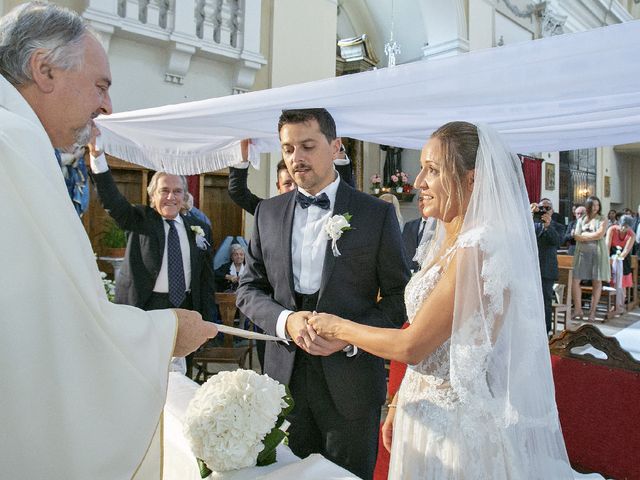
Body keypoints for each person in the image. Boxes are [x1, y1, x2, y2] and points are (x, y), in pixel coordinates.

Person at [0, 3, 216, 479]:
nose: (107, 107)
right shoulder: (12, 148)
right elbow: (47, 329)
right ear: (44, 69)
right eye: (101, 85)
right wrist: (163, 335)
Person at [308, 121, 573, 479]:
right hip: (424, 405)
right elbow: (431, 339)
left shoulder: (479, 249)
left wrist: (337, 326)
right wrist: (401, 398)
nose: (418, 182)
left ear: (472, 180)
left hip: (456, 428)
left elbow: (412, 345)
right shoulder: (447, 240)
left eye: (433, 170)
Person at [236, 108, 409, 479]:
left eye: (307, 146)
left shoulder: (374, 214)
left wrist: (348, 336)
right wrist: (286, 320)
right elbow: (249, 288)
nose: (296, 158)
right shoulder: (267, 212)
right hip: (284, 382)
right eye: (287, 149)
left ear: (335, 147)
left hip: (351, 383)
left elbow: (399, 297)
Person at [228, 140, 354, 216]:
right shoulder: (270, 212)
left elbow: (347, 193)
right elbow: (238, 193)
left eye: (296, 182)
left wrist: (340, 155)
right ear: (278, 186)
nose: (293, 187)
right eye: (287, 183)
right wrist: (242, 160)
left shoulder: (323, 205)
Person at [571, 195, 610, 322]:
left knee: (596, 282)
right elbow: (576, 236)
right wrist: (587, 236)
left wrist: (584, 235)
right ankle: (578, 309)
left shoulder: (602, 219)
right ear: (588, 206)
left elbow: (599, 234)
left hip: (597, 254)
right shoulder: (582, 219)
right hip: (582, 254)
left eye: (597, 205)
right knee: (575, 280)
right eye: (593, 205)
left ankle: (592, 312)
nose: (595, 208)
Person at [532, 199, 564, 334]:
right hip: (531, 268)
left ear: (552, 210)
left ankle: (545, 331)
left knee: (545, 301)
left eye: (548, 208)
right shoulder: (530, 223)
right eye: (541, 207)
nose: (544, 210)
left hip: (547, 269)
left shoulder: (558, 226)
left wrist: (548, 226)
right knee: (530, 300)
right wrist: (528, 214)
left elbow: (558, 242)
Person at [606, 214, 635, 315]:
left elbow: (626, 250)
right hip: (611, 255)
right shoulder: (612, 229)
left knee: (622, 282)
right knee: (612, 281)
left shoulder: (631, 234)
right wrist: (608, 258)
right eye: (622, 225)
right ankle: (613, 304)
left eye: (626, 227)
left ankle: (620, 305)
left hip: (623, 259)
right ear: (619, 223)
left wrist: (618, 258)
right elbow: (607, 246)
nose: (623, 228)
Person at [402, 196, 436, 272]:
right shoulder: (409, 225)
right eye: (420, 200)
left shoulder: (439, 227)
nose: (423, 203)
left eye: (427, 199)